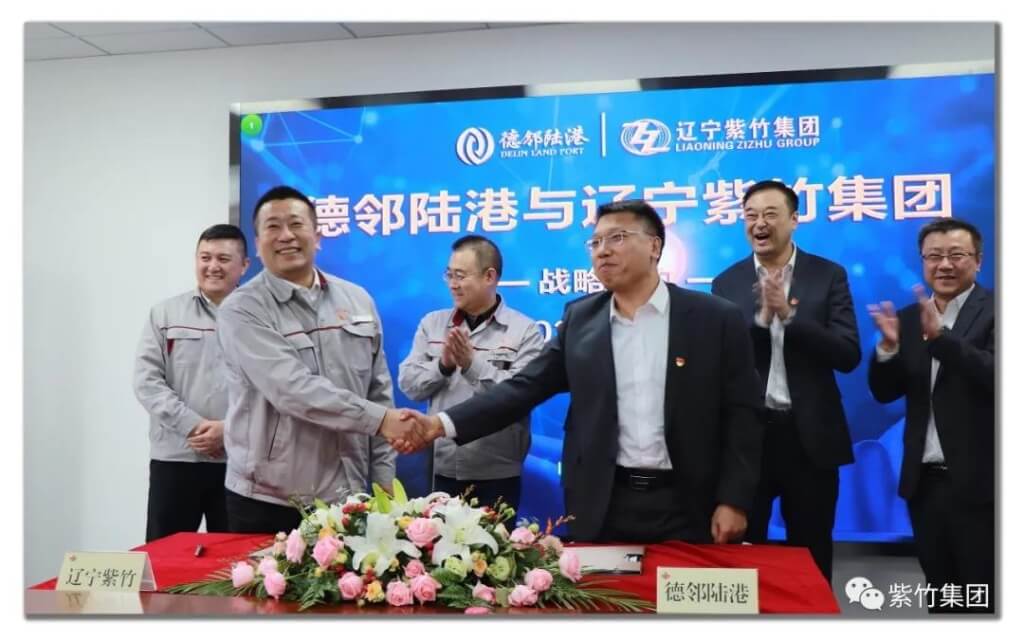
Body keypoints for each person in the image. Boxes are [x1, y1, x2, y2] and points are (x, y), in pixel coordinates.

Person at [397, 199, 764, 544]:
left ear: (654, 246)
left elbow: (743, 414)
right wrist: (439, 425)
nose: (602, 250)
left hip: (690, 502)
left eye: (617, 238)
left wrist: (734, 499)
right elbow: (523, 388)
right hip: (603, 501)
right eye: (596, 242)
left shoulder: (714, 319)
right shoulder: (581, 319)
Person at [217, 185, 421, 534]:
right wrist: (382, 421)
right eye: (273, 227)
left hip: (349, 497)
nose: (286, 236)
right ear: (258, 244)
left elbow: (378, 391)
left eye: (296, 224)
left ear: (318, 235)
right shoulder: (242, 309)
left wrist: (384, 478)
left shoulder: (357, 300)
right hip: (270, 501)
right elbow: (291, 389)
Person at [711, 180, 860, 582]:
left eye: (770, 214)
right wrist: (761, 320)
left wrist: (789, 317)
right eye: (751, 215)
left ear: (794, 219)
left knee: (812, 556)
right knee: (744, 560)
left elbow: (847, 354)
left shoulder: (828, 275)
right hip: (748, 441)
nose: (759, 223)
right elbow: (723, 362)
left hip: (809, 440)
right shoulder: (726, 283)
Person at [867, 218, 994, 614]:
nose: (944, 265)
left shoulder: (998, 311)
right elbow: (885, 392)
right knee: (942, 594)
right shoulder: (908, 319)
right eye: (934, 256)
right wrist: (888, 350)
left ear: (978, 260)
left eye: (956, 255)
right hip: (925, 484)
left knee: (985, 596)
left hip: (984, 483)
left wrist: (941, 340)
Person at [398, 235, 544, 511]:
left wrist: (471, 365)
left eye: (461, 276)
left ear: (490, 276)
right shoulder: (433, 324)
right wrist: (442, 366)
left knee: (497, 540)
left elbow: (520, 397)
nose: (453, 284)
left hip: (497, 472)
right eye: (449, 275)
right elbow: (409, 385)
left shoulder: (524, 331)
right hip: (441, 467)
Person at [133, 223, 250, 542]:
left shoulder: (262, 318)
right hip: (176, 457)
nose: (213, 266)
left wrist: (228, 430)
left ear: (244, 265)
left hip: (241, 461)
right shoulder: (165, 314)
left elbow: (274, 389)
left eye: (223, 259)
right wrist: (194, 427)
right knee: (164, 554)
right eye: (205, 257)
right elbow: (147, 381)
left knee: (236, 558)